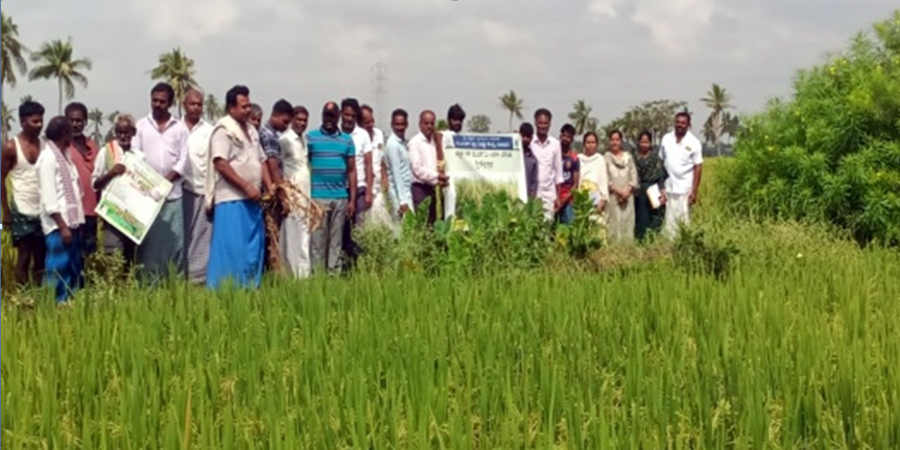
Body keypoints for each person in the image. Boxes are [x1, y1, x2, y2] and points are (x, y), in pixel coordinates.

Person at [205, 85, 273, 289]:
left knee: (252, 246)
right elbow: (221, 163)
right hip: (232, 199)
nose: (247, 110)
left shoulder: (251, 130)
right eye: (243, 106)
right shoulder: (223, 130)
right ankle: (225, 289)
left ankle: (250, 287)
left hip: (253, 199)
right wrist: (245, 186)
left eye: (248, 106)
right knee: (232, 247)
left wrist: (269, 187)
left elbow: (261, 160)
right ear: (231, 107)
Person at [132, 82, 189, 282]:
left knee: (174, 241)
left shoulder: (179, 128)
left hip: (173, 194)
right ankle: (148, 282)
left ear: (170, 103)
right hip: (148, 196)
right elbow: (136, 157)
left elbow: (184, 159)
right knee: (149, 242)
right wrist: (151, 184)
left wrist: (166, 181)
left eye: (162, 101)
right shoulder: (140, 126)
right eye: (154, 100)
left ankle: (174, 280)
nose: (157, 104)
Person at [37, 116, 85, 303]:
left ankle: (67, 301)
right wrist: (63, 226)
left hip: (70, 222)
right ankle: (52, 302)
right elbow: (49, 197)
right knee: (57, 265)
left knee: (71, 265)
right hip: (58, 225)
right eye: (70, 132)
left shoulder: (64, 156)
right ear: (65, 134)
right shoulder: (48, 158)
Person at [1, 101, 47, 287]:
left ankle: (37, 295)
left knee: (41, 255)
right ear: (23, 122)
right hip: (21, 209)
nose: (39, 125)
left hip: (42, 210)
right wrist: (6, 212)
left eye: (41, 121)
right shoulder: (11, 147)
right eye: (35, 121)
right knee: (24, 255)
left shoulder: (45, 145)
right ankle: (22, 296)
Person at [307, 102, 356, 273]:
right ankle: (317, 276)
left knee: (336, 241)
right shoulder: (311, 138)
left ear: (338, 117)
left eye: (332, 116)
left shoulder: (347, 140)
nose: (329, 119)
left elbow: (351, 171)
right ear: (322, 116)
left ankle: (333, 275)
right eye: (326, 115)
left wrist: (352, 200)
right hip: (318, 196)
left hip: (340, 196)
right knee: (318, 239)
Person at [91, 114, 143, 272]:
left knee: (130, 255)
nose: (122, 136)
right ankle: (112, 289)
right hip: (112, 213)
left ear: (133, 132)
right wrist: (111, 173)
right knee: (113, 254)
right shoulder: (106, 152)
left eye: (126, 132)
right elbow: (94, 183)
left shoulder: (139, 156)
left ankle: (126, 292)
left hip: (133, 215)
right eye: (119, 132)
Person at [181, 88, 215, 284]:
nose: (196, 108)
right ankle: (178, 272)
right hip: (179, 189)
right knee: (180, 234)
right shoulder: (175, 128)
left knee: (201, 235)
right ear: (184, 105)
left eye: (199, 104)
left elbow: (213, 165)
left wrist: (211, 195)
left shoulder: (209, 131)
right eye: (192, 104)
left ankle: (197, 277)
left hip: (201, 189)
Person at [276, 105, 313, 278]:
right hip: (292, 193)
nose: (302, 123)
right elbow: (277, 165)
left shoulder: (304, 140)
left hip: (305, 193)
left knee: (304, 232)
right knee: (292, 232)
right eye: (298, 119)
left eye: (305, 120)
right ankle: (292, 273)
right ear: (292, 120)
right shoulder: (285, 140)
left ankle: (304, 273)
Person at [65, 102, 100, 260]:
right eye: (71, 120)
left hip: (91, 210)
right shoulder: (61, 147)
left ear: (85, 122)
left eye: (79, 121)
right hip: (70, 211)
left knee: (89, 253)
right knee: (72, 253)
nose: (75, 124)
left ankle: (88, 284)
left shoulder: (93, 146)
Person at [660, 112, 703, 237]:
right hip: (669, 188)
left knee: (684, 223)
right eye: (677, 122)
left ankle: (683, 248)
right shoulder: (666, 139)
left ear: (688, 125)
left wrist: (694, 191)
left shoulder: (694, 142)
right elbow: (661, 162)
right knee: (669, 223)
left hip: (685, 189)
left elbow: (698, 166)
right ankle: (667, 248)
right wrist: (661, 186)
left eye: (683, 123)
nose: (680, 125)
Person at [409, 110, 448, 225]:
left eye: (432, 123)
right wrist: (437, 176)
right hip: (420, 189)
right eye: (426, 123)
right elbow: (417, 169)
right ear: (420, 124)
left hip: (433, 188)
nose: (429, 126)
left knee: (432, 222)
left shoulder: (435, 142)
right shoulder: (415, 142)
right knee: (422, 223)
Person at [604, 130, 638, 243]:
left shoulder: (628, 157)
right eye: (612, 140)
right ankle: (615, 251)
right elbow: (605, 179)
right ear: (609, 142)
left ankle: (627, 249)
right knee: (614, 223)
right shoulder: (606, 158)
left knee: (627, 222)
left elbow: (634, 177)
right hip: (614, 197)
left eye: (617, 139)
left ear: (621, 141)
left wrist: (626, 192)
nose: (615, 142)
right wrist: (619, 192)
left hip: (628, 197)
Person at [360, 104, 391, 227]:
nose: (371, 125)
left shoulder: (378, 134)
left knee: (383, 219)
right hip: (367, 185)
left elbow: (381, 156)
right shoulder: (358, 136)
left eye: (372, 121)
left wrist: (385, 176)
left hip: (379, 184)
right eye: (367, 122)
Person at [530, 108, 564, 221]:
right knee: (532, 226)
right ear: (535, 123)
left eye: (545, 123)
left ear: (550, 124)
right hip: (533, 194)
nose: (542, 126)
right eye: (540, 123)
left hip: (549, 195)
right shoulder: (530, 143)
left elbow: (558, 174)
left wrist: (558, 197)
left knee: (547, 227)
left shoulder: (555, 144)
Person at [633, 131, 667, 241]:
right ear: (638, 142)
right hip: (639, 191)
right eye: (642, 142)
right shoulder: (634, 157)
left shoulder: (655, 158)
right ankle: (640, 239)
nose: (644, 144)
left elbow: (661, 175)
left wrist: (662, 190)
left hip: (653, 189)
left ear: (650, 143)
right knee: (640, 215)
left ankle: (653, 238)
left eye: (646, 142)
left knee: (655, 215)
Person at [383, 108, 413, 224]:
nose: (400, 127)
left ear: (406, 124)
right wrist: (402, 201)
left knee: (409, 229)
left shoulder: (402, 142)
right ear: (392, 124)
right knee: (402, 230)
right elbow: (396, 174)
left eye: (402, 124)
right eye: (397, 124)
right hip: (398, 193)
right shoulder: (392, 144)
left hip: (405, 190)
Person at [578, 131, 609, 223]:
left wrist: (603, 200)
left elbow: (603, 180)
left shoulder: (600, 160)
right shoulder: (579, 159)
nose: (590, 145)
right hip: (582, 197)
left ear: (596, 144)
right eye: (588, 142)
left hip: (596, 199)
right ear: (584, 144)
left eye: (593, 142)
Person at [556, 124, 580, 225]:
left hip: (568, 200)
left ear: (572, 139)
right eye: (564, 136)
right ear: (560, 136)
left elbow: (575, 184)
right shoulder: (554, 155)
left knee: (568, 229)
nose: (566, 139)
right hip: (553, 197)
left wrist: (563, 201)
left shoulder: (574, 158)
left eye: (569, 137)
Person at [519, 122, 538, 200]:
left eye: (528, 137)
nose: (525, 139)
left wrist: (532, 198)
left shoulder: (533, 160)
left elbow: (534, 182)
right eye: (523, 136)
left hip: (526, 197)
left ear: (532, 138)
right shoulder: (511, 155)